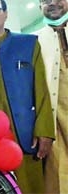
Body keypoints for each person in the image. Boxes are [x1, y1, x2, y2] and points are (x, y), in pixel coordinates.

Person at [0, 0, 55, 193]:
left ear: (6, 14)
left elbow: (41, 89)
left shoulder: (28, 44)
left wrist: (45, 130)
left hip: (25, 133)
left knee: (31, 186)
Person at [35, 0, 68, 193]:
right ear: (40, 6)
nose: (53, 3)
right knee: (58, 173)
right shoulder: (34, 40)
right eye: (46, 0)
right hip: (55, 120)